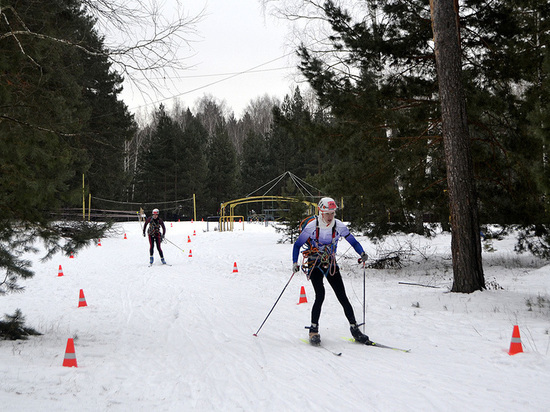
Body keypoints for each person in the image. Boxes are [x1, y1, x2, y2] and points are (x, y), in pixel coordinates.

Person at [292, 197, 369, 345]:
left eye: (332, 213)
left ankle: (355, 329)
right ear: (321, 212)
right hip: (315, 263)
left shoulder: (339, 226)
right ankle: (313, 330)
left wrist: (362, 253)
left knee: (342, 296)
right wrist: (295, 263)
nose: (330, 216)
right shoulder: (312, 226)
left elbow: (353, 242)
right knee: (320, 295)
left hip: (330, 263)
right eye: (327, 213)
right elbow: (297, 245)